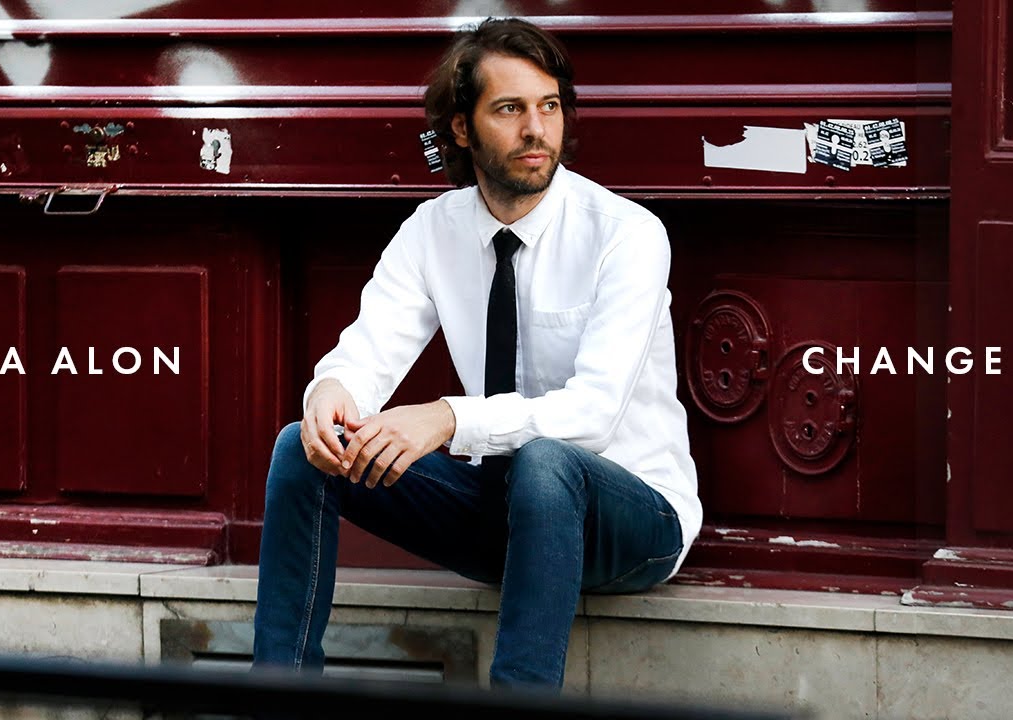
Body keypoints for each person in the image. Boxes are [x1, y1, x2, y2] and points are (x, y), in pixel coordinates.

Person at [252, 17, 700, 690]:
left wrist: (448, 418)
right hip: (504, 519)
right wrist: (332, 394)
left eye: (549, 106)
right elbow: (366, 353)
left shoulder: (626, 235)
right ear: (462, 127)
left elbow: (595, 414)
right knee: (301, 448)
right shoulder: (433, 230)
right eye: (510, 109)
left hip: (632, 524)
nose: (537, 130)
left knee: (546, 462)